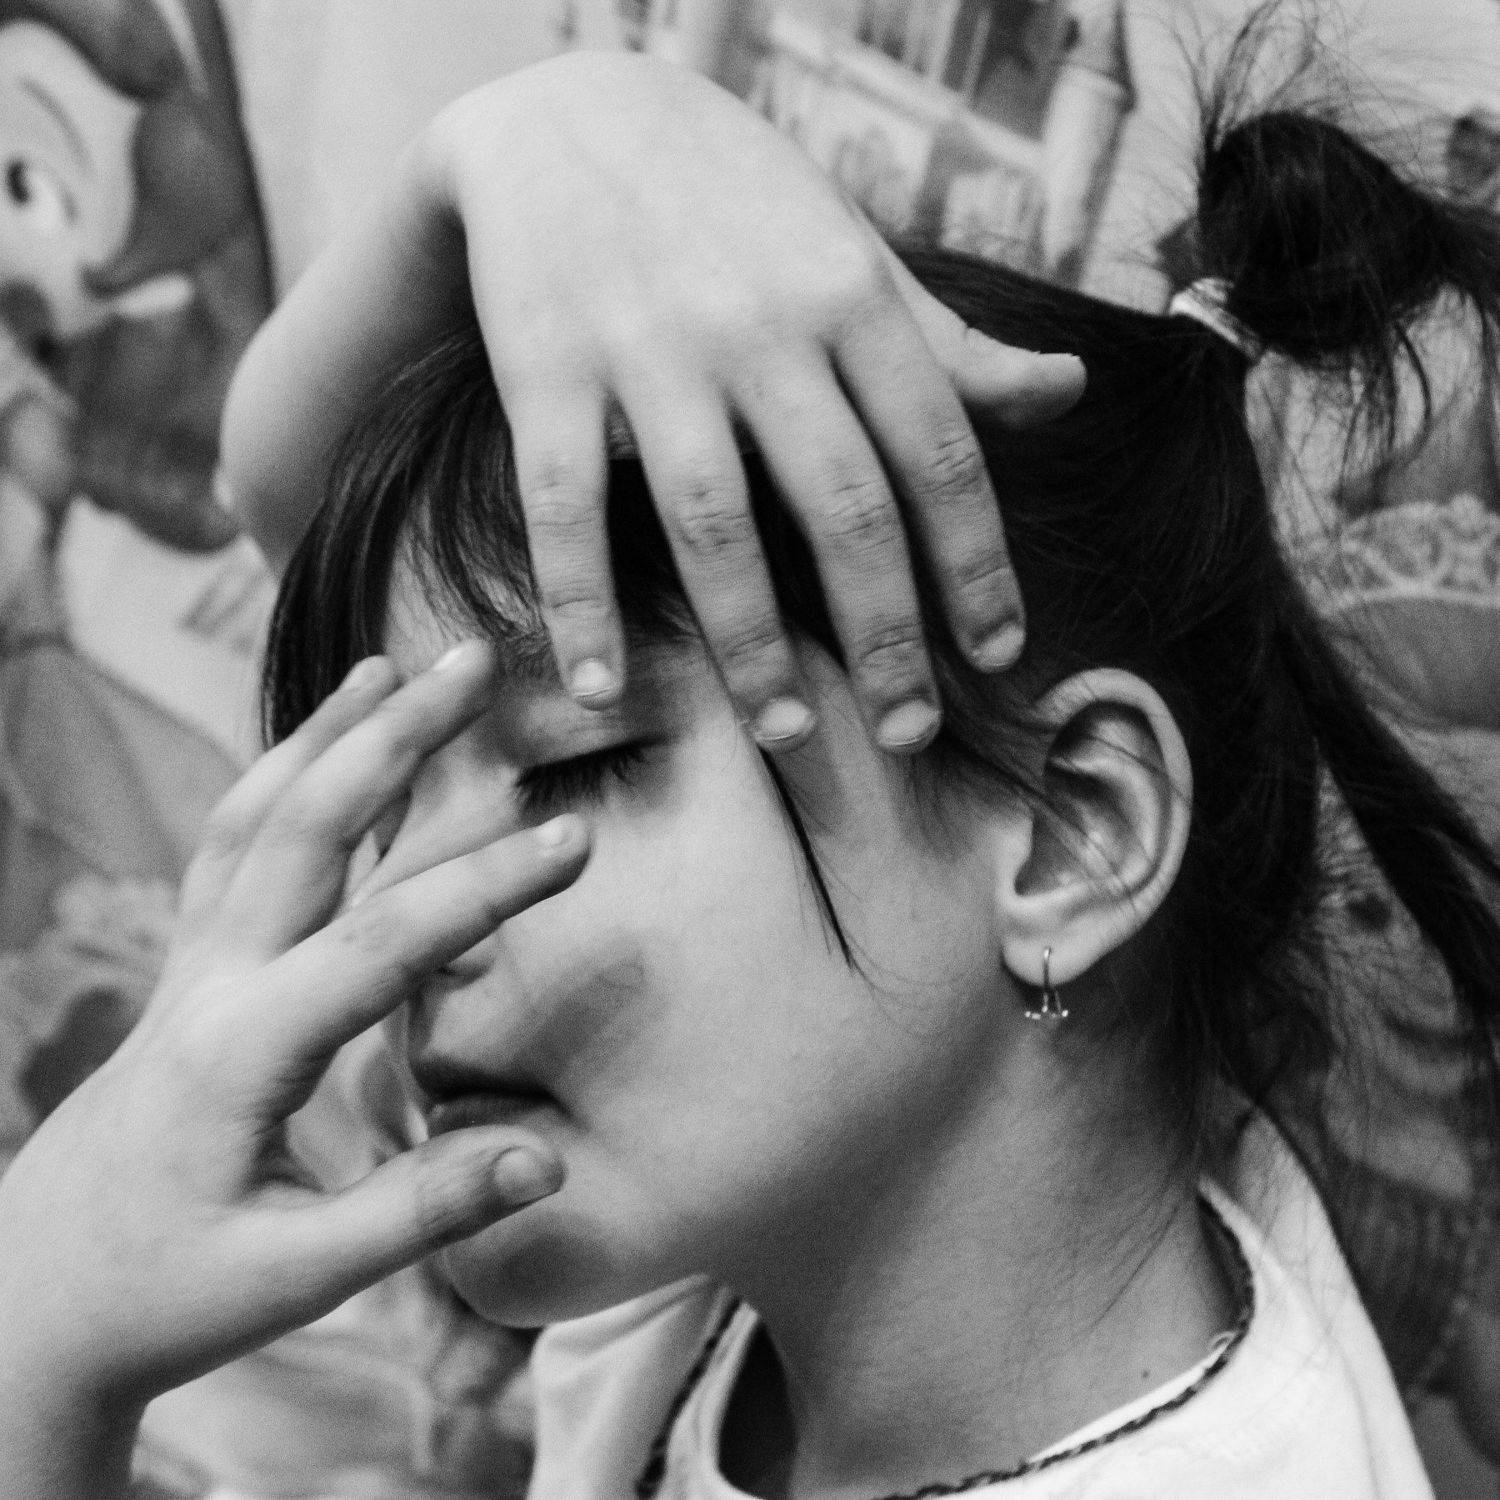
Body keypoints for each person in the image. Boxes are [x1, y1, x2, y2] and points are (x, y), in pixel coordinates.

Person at [5, 78, 1500, 1498]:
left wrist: (43, 1348)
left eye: (573, 761)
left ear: (1069, 835)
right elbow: (297, 488)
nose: (396, 912)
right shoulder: (761, 1235)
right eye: (397, 807)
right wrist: (526, 141)